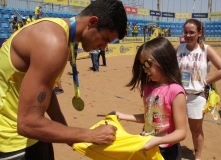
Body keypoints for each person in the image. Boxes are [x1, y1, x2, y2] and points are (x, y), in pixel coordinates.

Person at [0, 0, 127, 159]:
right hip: (13, 144)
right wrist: (89, 135)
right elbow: (27, 124)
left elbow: (47, 93)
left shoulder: (60, 34)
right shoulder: (52, 42)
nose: (104, 48)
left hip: (36, 137)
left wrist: (70, 136)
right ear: (92, 22)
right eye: (105, 39)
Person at [109, 37, 187, 160]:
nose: (145, 70)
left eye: (147, 64)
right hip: (147, 144)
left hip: (167, 151)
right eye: (143, 66)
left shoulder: (175, 91)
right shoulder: (148, 88)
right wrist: (121, 115)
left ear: (163, 59)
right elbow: (149, 117)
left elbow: (181, 132)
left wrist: (156, 141)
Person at [174, 19, 221, 160]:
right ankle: (174, 153)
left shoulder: (206, 49)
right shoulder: (178, 48)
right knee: (175, 128)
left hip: (197, 96)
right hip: (178, 95)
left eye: (192, 32)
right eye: (186, 32)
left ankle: (197, 157)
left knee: (196, 130)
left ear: (199, 33)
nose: (188, 35)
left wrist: (205, 82)